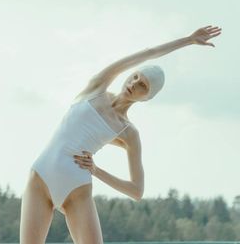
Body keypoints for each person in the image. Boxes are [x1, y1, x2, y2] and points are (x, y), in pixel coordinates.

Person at [20, 25, 222, 244]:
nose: (134, 84)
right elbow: (150, 52)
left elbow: (136, 191)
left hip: (76, 190)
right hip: (41, 178)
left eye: (142, 85)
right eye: (135, 77)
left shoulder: (128, 132)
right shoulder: (97, 86)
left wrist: (97, 170)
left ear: (147, 97)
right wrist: (188, 40)